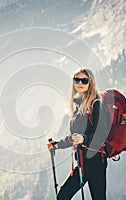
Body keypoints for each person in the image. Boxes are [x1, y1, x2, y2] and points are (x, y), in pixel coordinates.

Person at [48, 68, 107, 200]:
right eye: (77, 80)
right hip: (81, 162)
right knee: (62, 196)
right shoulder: (77, 105)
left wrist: (84, 139)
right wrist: (57, 145)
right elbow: (75, 137)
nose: (80, 83)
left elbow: (102, 134)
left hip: (96, 161)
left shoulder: (96, 104)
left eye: (84, 80)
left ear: (90, 83)